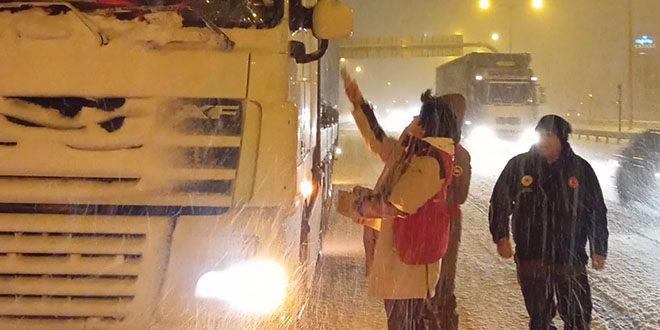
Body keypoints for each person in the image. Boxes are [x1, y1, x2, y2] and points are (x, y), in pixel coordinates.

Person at [344, 77, 459, 330]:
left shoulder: (429, 162)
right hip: (400, 259)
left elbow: (397, 205)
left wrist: (362, 206)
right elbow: (380, 143)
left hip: (409, 265)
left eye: (418, 117)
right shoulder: (415, 151)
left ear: (428, 125)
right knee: (400, 321)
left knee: (404, 323)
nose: (413, 121)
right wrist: (360, 104)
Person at [489, 115, 608, 330]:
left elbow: (596, 211)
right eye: (540, 134)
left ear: (562, 138)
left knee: (578, 317)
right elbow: (500, 201)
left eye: (549, 135)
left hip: (569, 256)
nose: (543, 139)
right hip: (531, 256)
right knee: (540, 319)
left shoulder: (581, 169)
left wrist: (598, 247)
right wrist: (501, 236)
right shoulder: (520, 165)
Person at [425, 95, 472, 330]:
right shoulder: (422, 147)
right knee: (425, 276)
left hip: (446, 221)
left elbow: (460, 194)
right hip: (425, 222)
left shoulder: (459, 154)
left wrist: (435, 199)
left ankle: (439, 316)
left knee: (443, 278)